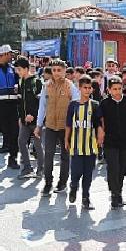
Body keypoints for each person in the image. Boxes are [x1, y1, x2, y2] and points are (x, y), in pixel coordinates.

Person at [35, 60, 80, 196]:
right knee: (48, 155)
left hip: (65, 127)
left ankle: (62, 183)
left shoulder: (70, 86)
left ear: (64, 71)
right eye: (53, 70)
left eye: (59, 70)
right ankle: (48, 183)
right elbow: (42, 107)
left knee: (65, 156)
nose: (56, 73)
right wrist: (38, 125)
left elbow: (77, 106)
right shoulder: (46, 86)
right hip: (49, 127)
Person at [98, 76, 126, 209]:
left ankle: (119, 192)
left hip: (124, 142)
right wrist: (99, 133)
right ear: (109, 90)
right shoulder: (104, 104)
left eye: (119, 89)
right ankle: (114, 195)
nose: (117, 92)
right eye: (114, 89)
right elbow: (97, 120)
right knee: (113, 168)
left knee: (123, 168)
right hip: (109, 142)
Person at [65, 76, 102, 210]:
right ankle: (73, 187)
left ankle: (86, 198)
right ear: (79, 88)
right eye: (84, 87)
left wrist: (100, 136)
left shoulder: (95, 105)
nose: (87, 90)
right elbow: (69, 124)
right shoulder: (73, 105)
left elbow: (99, 124)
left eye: (89, 88)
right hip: (76, 146)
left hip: (91, 146)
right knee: (76, 172)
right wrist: (66, 139)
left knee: (88, 173)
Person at [15, 57, 44, 179]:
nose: (18, 71)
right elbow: (21, 102)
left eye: (19, 69)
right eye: (16, 69)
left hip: (36, 120)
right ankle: (27, 168)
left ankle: (41, 169)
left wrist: (33, 114)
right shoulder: (20, 82)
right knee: (21, 142)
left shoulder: (37, 82)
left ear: (26, 69)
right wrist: (20, 117)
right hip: (24, 121)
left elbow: (40, 102)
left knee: (37, 145)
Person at [0, 45, 20, 169]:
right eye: (10, 54)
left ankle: (13, 159)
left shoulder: (13, 69)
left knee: (14, 133)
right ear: (4, 54)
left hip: (12, 106)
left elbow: (19, 82)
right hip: (0, 106)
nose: (12, 56)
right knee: (6, 132)